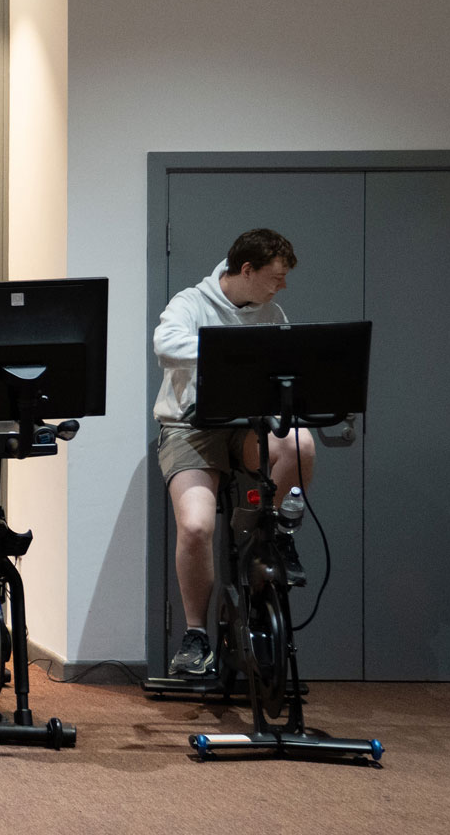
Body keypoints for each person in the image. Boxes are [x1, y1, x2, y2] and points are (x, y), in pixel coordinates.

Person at [153, 227, 313, 677]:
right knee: (198, 527)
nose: (281, 287)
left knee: (300, 441)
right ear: (246, 270)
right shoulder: (190, 303)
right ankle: (195, 635)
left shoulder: (270, 311)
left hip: (247, 425)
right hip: (192, 427)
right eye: (275, 277)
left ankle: (272, 533)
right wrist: (232, 354)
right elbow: (166, 346)